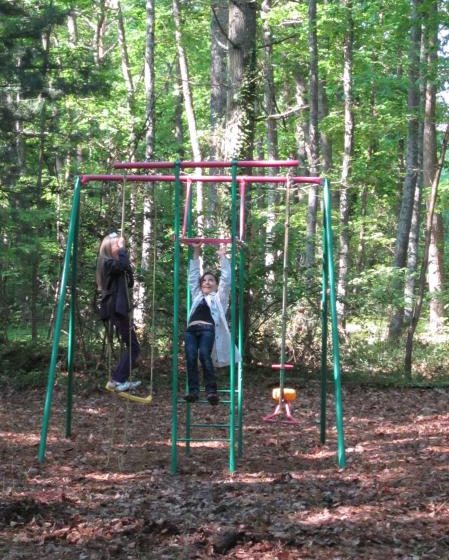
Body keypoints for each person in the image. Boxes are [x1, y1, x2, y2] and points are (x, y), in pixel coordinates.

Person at [184, 242, 240, 405]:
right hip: (191, 330)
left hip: (208, 329)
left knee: (204, 355)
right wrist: (196, 252)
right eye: (205, 280)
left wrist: (222, 256)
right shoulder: (197, 296)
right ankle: (193, 391)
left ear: (215, 285)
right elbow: (193, 276)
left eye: (211, 280)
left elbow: (227, 280)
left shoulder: (218, 299)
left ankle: (211, 391)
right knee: (190, 356)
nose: (207, 282)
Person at [96, 232, 141, 392]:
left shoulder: (115, 265)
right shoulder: (107, 263)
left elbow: (129, 281)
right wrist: (123, 252)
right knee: (134, 347)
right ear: (109, 248)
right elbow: (121, 266)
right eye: (117, 245)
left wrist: (127, 265)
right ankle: (116, 380)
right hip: (115, 308)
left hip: (119, 309)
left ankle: (117, 379)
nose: (122, 248)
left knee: (133, 346)